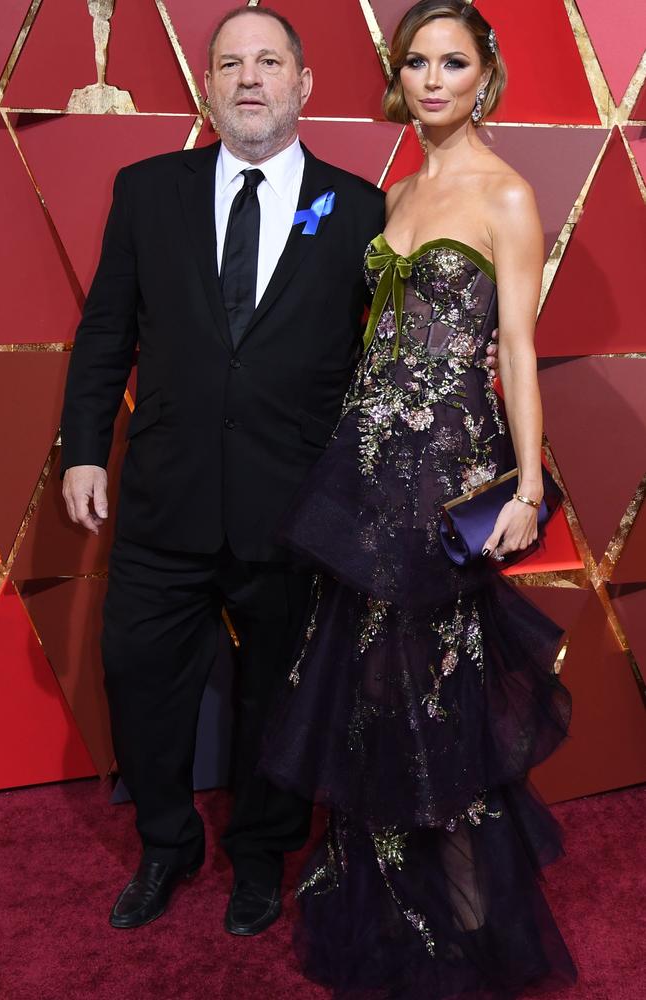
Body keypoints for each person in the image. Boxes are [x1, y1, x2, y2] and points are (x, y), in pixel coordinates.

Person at [60, 5, 501, 937]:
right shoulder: (145, 191)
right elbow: (105, 333)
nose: (249, 78)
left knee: (277, 693)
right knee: (138, 672)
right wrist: (86, 450)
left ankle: (260, 858)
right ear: (207, 84)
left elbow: (384, 364)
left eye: (269, 63)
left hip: (297, 508)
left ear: (305, 85)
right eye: (230, 63)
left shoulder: (361, 211)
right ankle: (166, 845)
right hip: (162, 499)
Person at [261, 1, 577, 996]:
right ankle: (394, 909)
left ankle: (473, 932)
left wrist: (525, 485)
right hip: (363, 478)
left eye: (450, 62)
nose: (430, 79)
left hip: (445, 477)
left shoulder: (506, 195)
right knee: (371, 701)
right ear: (397, 76)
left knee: (440, 701)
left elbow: (515, 352)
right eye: (414, 63)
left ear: (483, 75)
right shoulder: (395, 193)